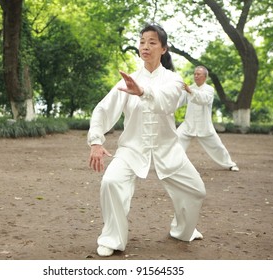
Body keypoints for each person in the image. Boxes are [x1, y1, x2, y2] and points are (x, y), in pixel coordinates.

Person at [88, 24, 206, 257]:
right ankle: (112, 239)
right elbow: (104, 109)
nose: (145, 46)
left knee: (196, 191)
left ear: (163, 48)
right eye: (142, 41)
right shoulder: (127, 80)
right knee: (111, 182)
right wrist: (95, 141)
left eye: (152, 42)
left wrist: (143, 93)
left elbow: (168, 103)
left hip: (167, 148)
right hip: (132, 148)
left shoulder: (173, 80)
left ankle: (183, 231)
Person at [176, 66, 239, 172]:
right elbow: (178, 102)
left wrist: (190, 91)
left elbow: (203, 99)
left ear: (205, 77)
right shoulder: (190, 88)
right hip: (189, 124)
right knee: (175, 140)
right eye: (195, 74)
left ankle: (229, 164)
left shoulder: (209, 89)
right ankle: (174, 165)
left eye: (198, 74)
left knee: (217, 146)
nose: (196, 76)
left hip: (204, 125)